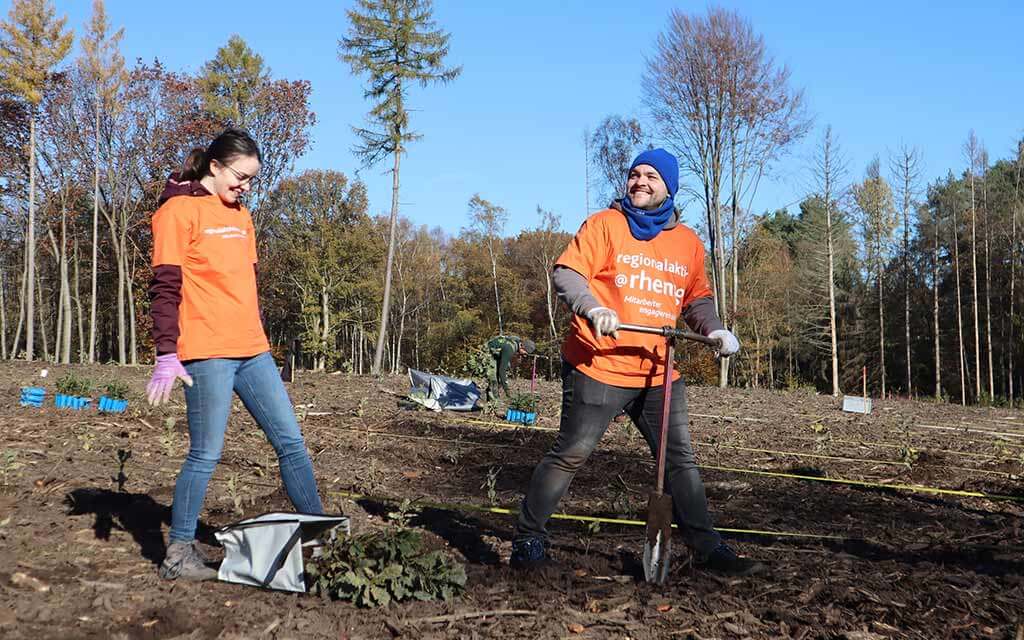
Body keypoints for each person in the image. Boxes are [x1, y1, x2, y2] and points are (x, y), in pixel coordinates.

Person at [510, 148, 764, 576]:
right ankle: (528, 541)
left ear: (669, 186)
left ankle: (708, 550)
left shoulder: (687, 242)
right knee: (571, 453)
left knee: (679, 462)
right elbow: (566, 273)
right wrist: (592, 307)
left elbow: (697, 299)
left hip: (658, 371)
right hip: (598, 364)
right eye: (634, 174)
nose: (640, 181)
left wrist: (715, 330)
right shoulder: (604, 225)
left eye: (651, 176)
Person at [147, 128, 324, 581]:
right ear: (215, 166)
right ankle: (179, 552)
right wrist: (167, 351)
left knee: (291, 441)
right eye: (240, 176)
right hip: (207, 352)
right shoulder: (177, 212)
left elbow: (246, 283)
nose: (245, 186)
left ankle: (319, 534)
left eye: (251, 179)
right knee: (206, 454)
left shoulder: (242, 215)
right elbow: (166, 287)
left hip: (253, 351)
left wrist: (263, 337)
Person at [485, 335, 535, 400]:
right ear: (522, 346)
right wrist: (507, 390)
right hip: (487, 353)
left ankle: (493, 396)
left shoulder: (515, 342)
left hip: (494, 354)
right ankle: (493, 400)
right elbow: (501, 371)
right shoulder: (510, 349)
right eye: (525, 352)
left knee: (505, 369)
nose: (524, 355)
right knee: (494, 378)